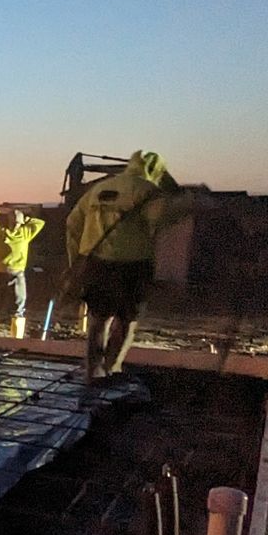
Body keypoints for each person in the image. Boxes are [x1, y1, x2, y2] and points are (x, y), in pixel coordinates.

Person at [65, 150, 175, 381]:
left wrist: (77, 259)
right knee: (126, 321)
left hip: (97, 265)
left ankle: (93, 371)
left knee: (98, 320)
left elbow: (72, 223)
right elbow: (159, 219)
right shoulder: (148, 191)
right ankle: (112, 368)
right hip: (132, 267)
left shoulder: (98, 189)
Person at [0, 206, 45, 338]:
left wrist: (2, 211)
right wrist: (23, 217)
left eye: (17, 223)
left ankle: (14, 339)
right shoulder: (18, 232)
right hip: (3, 274)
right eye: (14, 222)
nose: (15, 225)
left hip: (13, 274)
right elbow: (38, 222)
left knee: (16, 308)